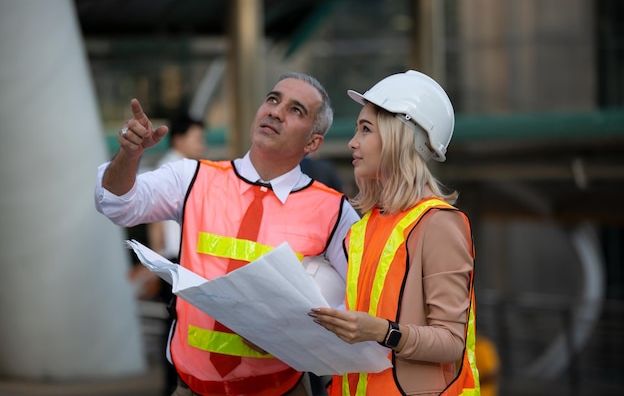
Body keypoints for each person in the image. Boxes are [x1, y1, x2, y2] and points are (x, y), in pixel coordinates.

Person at [94, 72, 361, 396]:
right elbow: (116, 204)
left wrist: (294, 329)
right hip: (190, 388)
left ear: (312, 143)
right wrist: (129, 155)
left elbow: (360, 302)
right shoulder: (194, 177)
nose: (276, 111)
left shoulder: (333, 210)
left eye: (296, 110)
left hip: (282, 390)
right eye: (273, 99)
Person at [308, 70, 480, 395]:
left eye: (366, 129)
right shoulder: (363, 228)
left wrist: (383, 332)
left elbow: (451, 343)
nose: (352, 142)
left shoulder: (440, 224)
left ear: (401, 137)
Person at [146, 112, 206, 396]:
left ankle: (176, 383)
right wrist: (156, 259)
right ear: (180, 139)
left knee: (177, 322)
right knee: (177, 323)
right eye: (197, 138)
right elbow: (154, 219)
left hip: (178, 260)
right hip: (175, 260)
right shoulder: (173, 169)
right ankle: (174, 384)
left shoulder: (184, 166)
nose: (202, 144)